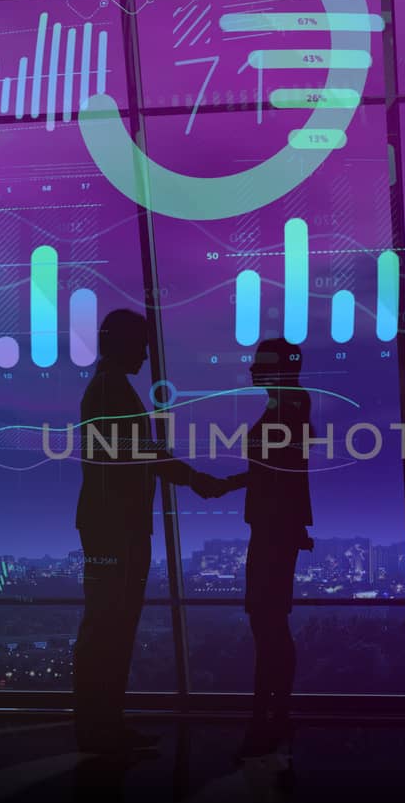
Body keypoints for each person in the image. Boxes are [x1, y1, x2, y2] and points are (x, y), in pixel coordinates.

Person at [73, 309, 227, 755]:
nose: (145, 354)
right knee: (109, 625)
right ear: (120, 344)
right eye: (140, 344)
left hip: (113, 526)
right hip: (116, 529)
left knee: (109, 624)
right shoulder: (111, 391)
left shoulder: (109, 389)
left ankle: (101, 726)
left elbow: (140, 455)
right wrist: (197, 479)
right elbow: (144, 456)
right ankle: (99, 728)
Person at [217, 338, 314, 761]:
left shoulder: (290, 405)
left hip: (273, 531)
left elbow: (278, 472)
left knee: (266, 622)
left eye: (261, 362)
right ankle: (273, 714)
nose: (253, 368)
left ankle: (267, 717)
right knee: (269, 623)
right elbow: (274, 470)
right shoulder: (289, 405)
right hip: (275, 529)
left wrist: (227, 486)